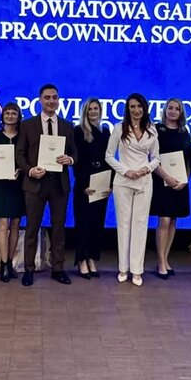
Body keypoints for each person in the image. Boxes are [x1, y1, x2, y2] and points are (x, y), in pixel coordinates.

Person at [15, 83, 77, 286]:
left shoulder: (67, 126)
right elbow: (20, 154)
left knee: (59, 229)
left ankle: (58, 269)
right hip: (35, 183)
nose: (51, 101)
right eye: (47, 97)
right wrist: (30, 170)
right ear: (40, 100)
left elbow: (75, 153)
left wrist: (70, 159)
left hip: (59, 185)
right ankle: (29, 269)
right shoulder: (28, 125)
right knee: (32, 228)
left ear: (58, 101)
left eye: (54, 97)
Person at [106, 93, 160, 286]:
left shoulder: (152, 129)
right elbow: (109, 156)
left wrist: (147, 168)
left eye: (139, 106)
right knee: (123, 224)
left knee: (140, 225)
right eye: (132, 107)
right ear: (127, 109)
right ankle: (123, 268)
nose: (136, 110)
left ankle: (137, 270)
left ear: (144, 108)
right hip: (123, 182)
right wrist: (125, 171)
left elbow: (156, 158)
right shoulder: (119, 128)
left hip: (144, 182)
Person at [150, 98, 191, 278]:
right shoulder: (156, 130)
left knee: (173, 221)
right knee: (164, 221)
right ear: (165, 110)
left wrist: (185, 180)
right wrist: (167, 177)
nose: (173, 111)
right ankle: (160, 262)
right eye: (170, 108)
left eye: (177, 109)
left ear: (181, 112)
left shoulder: (184, 132)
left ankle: (166, 259)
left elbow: (189, 159)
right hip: (161, 181)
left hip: (180, 184)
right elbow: (152, 158)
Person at [71, 97, 110, 279]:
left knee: (96, 224)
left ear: (100, 111)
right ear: (85, 112)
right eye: (90, 109)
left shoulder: (105, 131)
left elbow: (109, 159)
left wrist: (110, 184)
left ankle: (92, 258)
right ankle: (81, 259)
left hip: (102, 183)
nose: (93, 112)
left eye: (96, 108)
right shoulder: (78, 131)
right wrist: (84, 183)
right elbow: (77, 160)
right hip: (84, 185)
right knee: (83, 224)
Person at [0, 103, 26, 283]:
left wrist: (20, 169)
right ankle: (3, 264)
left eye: (13, 113)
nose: (10, 116)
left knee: (16, 224)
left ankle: (10, 262)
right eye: (7, 113)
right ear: (2, 116)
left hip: (18, 185)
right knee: (3, 224)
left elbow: (27, 158)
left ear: (18, 117)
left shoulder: (23, 137)